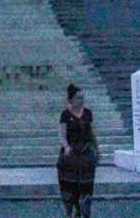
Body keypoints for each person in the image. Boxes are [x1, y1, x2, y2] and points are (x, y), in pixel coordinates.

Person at [58, 83, 98, 217]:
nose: (81, 100)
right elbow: (62, 135)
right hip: (71, 154)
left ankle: (84, 211)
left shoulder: (87, 113)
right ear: (71, 100)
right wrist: (66, 147)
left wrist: (97, 148)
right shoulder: (65, 114)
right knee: (70, 188)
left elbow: (91, 132)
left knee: (87, 187)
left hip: (86, 153)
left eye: (82, 98)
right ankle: (72, 210)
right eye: (78, 98)